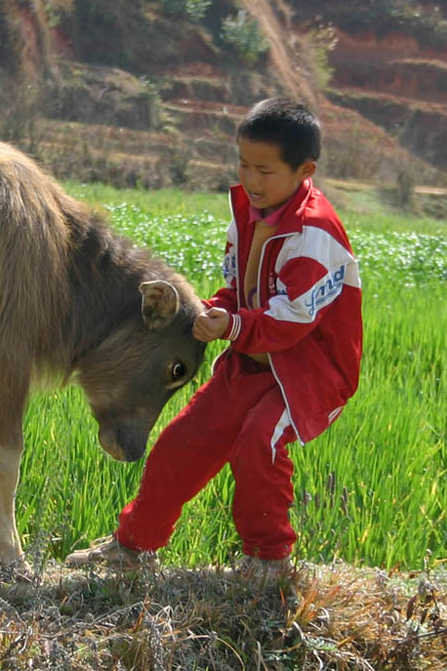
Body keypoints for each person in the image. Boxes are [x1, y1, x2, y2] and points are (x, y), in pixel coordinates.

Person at [66, 97, 362, 583]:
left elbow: (292, 321)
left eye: (264, 170)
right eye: (243, 164)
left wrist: (233, 326)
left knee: (257, 446)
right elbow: (236, 287)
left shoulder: (315, 234)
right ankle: (133, 547)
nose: (251, 179)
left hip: (306, 374)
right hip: (249, 363)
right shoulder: (247, 212)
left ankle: (269, 562)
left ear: (304, 170)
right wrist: (218, 310)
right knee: (179, 444)